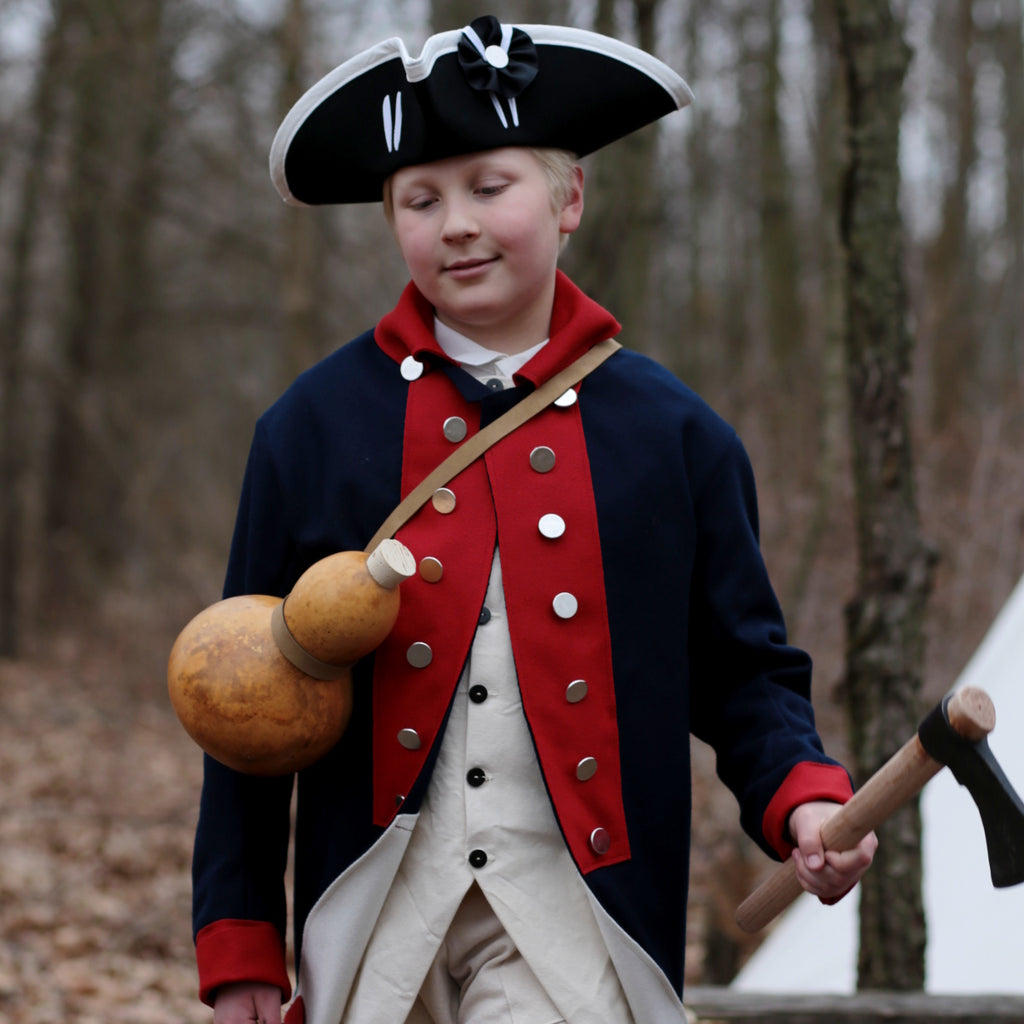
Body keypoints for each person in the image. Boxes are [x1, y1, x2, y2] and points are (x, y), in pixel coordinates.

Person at [191, 15, 877, 1024]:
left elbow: (742, 670)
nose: (456, 223)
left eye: (489, 186)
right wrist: (240, 934)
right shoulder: (309, 428)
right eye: (421, 200)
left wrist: (801, 795)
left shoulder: (675, 434)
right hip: (373, 911)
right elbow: (245, 702)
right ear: (392, 222)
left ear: (570, 199)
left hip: (574, 915)